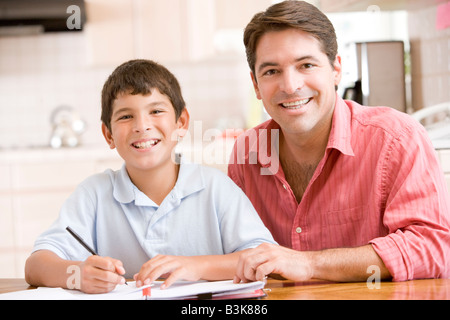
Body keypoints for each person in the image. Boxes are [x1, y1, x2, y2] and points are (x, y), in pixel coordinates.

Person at [229, 0, 450, 283]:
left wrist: (309, 265)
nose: (290, 85)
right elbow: (237, 252)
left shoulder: (396, 138)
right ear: (256, 84)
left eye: (306, 65)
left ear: (336, 70)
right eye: (272, 71)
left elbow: (432, 247)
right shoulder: (247, 152)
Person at [25, 59, 276, 294]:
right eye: (125, 116)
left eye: (155, 111)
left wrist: (195, 266)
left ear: (181, 123)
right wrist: (76, 275)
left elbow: (262, 259)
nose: (141, 125)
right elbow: (35, 266)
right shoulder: (94, 194)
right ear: (108, 134)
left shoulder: (216, 188)